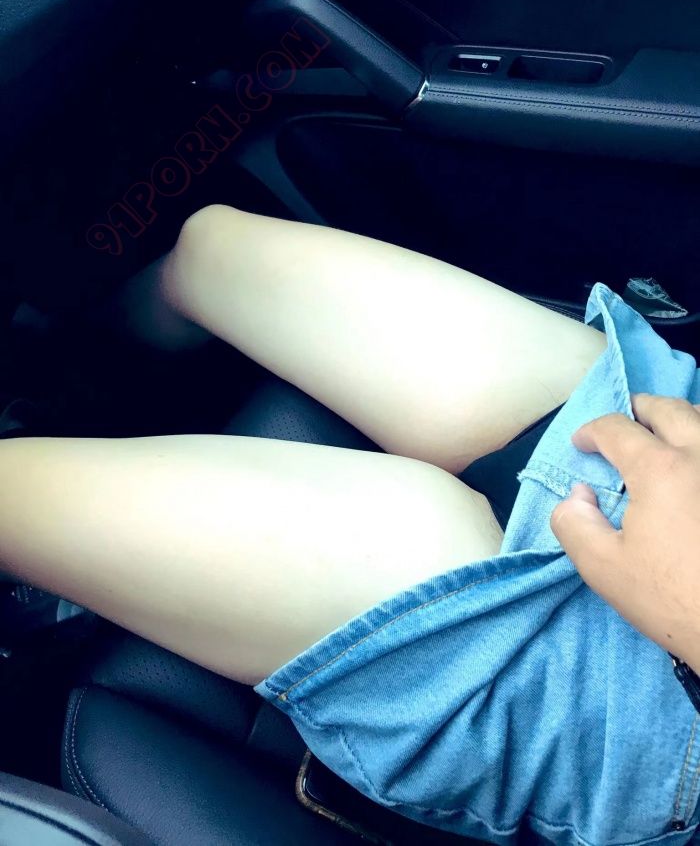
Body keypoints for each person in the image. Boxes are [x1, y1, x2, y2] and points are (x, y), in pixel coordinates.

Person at [2, 203, 700, 844]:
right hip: (660, 444)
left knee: (14, 488)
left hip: (635, 696)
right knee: (211, 248)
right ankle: (65, 373)